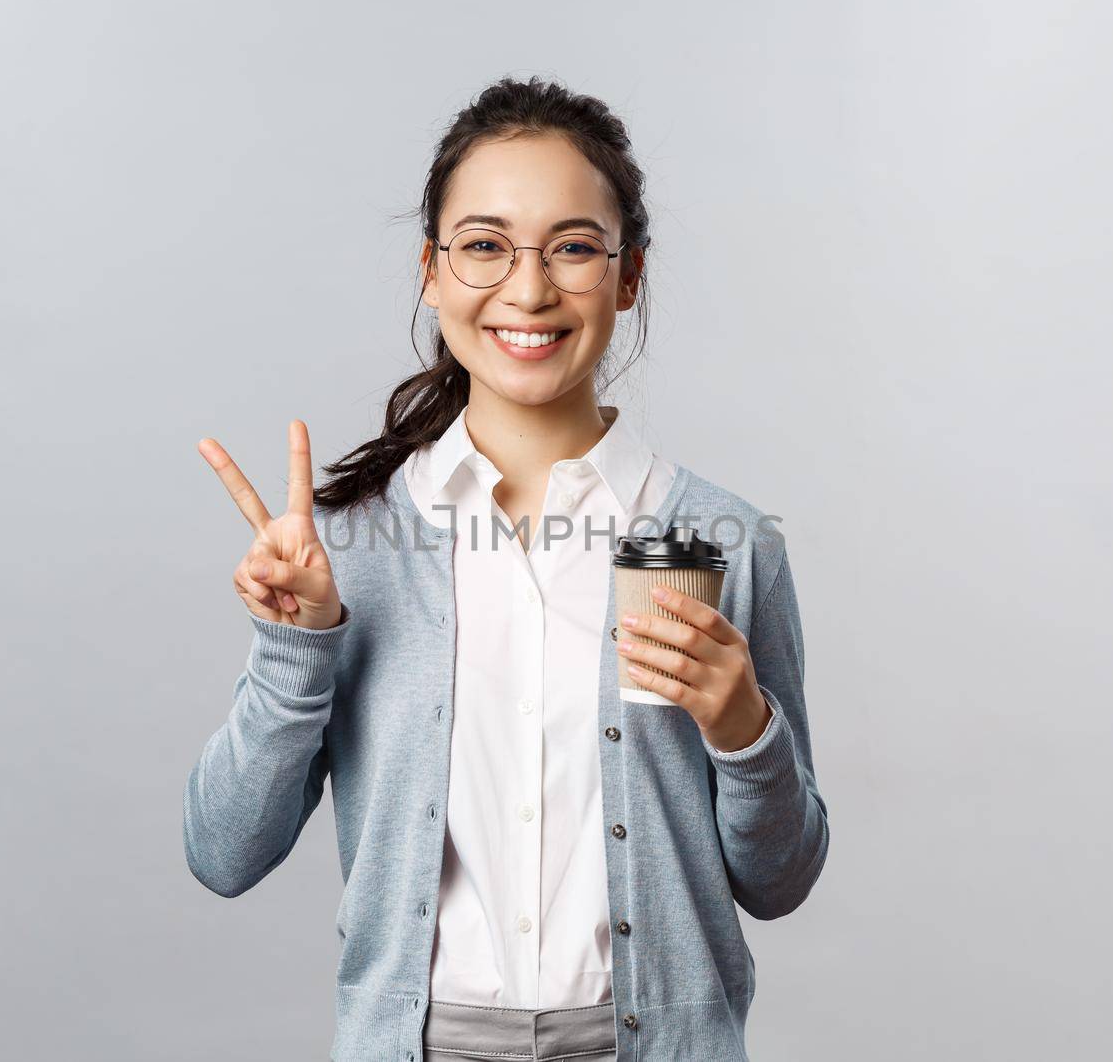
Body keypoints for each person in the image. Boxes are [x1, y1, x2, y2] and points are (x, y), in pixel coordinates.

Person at [184, 76, 830, 1062]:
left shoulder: (724, 541)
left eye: (572, 246)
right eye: (484, 245)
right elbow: (223, 853)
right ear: (432, 272)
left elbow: (779, 880)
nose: (527, 291)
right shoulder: (348, 549)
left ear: (627, 276)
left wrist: (743, 729)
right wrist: (294, 647)